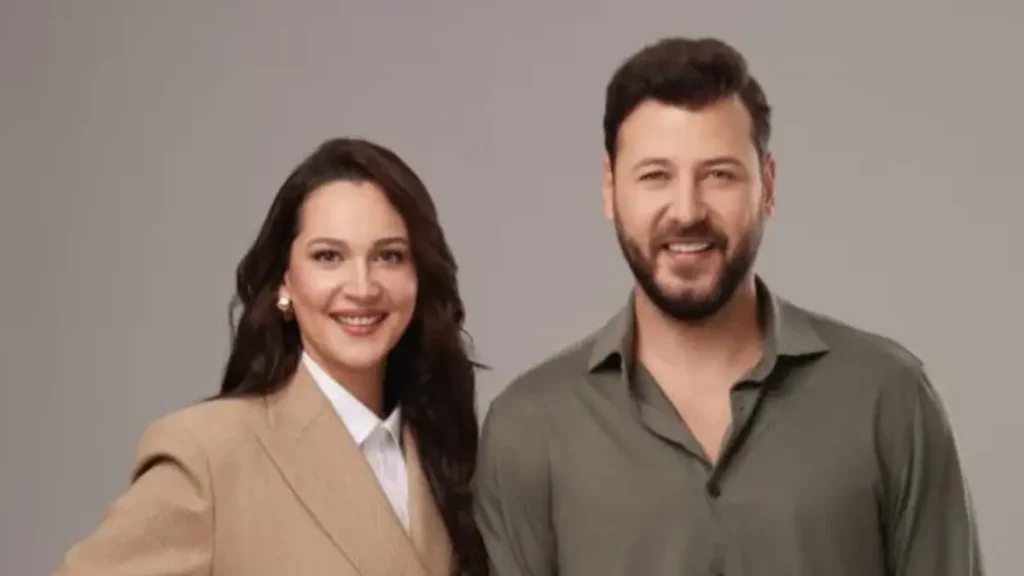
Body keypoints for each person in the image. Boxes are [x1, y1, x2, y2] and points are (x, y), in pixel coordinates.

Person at [474, 36, 984, 576]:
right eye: (655, 176)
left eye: (718, 174)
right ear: (610, 189)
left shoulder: (888, 396)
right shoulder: (530, 428)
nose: (687, 210)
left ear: (766, 185)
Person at [52, 137, 489, 576]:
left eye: (389, 256)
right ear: (285, 281)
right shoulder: (211, 454)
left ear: (419, 275)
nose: (362, 286)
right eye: (329, 256)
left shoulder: (446, 449)